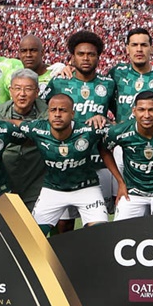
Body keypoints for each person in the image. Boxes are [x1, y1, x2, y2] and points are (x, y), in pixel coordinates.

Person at [8, 94, 109, 235]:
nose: (57, 115)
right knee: (32, 239)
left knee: (102, 234)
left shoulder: (88, 130)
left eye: (62, 110)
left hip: (86, 188)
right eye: (53, 110)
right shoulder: (37, 128)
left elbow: (118, 130)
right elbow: (15, 123)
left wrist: (103, 119)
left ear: (72, 113)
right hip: (53, 190)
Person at [47, 30, 117, 206]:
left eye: (91, 54)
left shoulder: (108, 84)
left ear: (98, 57)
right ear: (72, 57)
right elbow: (42, 114)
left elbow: (119, 119)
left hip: (98, 160)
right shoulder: (59, 82)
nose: (86, 58)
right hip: (64, 159)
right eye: (81, 54)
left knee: (100, 219)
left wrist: (106, 120)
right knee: (65, 223)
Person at [100, 91, 153, 219]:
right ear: (134, 111)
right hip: (132, 193)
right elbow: (104, 150)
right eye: (141, 110)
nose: (146, 115)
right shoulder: (119, 131)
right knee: (120, 232)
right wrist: (120, 182)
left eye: (152, 110)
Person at [0, 69, 49, 211]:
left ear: (37, 92)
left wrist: (12, 125)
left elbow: (45, 133)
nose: (22, 94)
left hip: (36, 180)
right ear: (10, 91)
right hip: (5, 180)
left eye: (28, 89)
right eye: (17, 88)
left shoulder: (48, 112)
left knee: (34, 228)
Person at [108, 28, 153, 124]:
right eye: (134, 45)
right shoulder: (117, 73)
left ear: (151, 48)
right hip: (123, 136)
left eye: (144, 45)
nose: (139, 49)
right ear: (127, 49)